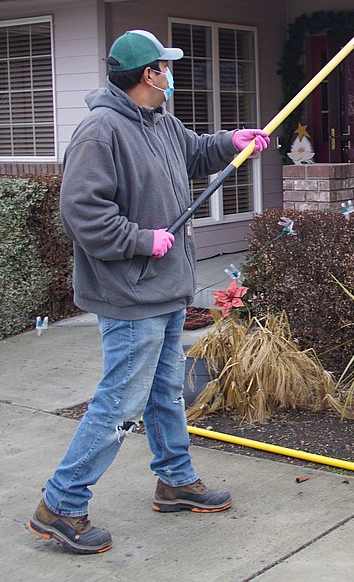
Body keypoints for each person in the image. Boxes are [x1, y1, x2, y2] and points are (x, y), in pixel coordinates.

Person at [28, 29, 269, 555]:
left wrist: (234, 141)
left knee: (164, 393)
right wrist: (141, 240)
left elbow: (196, 151)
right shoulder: (100, 131)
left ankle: (176, 482)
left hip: (162, 289)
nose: (171, 73)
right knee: (121, 399)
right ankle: (61, 503)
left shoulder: (160, 121)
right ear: (148, 74)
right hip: (129, 291)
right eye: (166, 65)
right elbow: (82, 213)